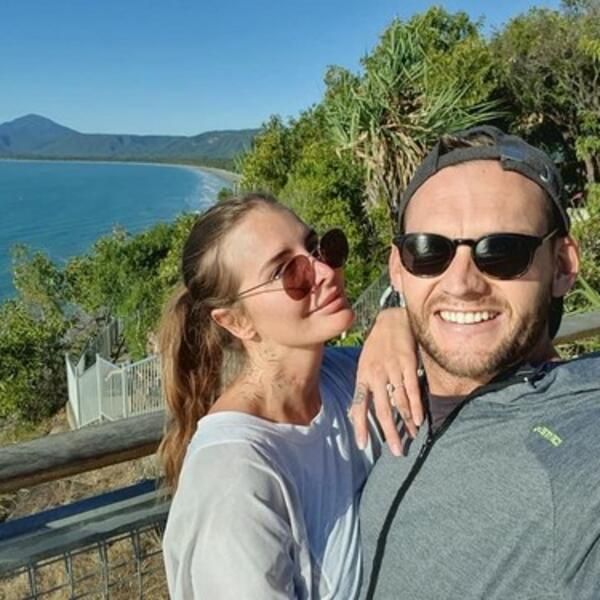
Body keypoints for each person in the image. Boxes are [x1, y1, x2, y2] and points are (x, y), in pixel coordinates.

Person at [354, 125, 600, 598]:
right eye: (429, 251)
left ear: (562, 266)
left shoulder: (580, 452)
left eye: (503, 252)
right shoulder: (390, 397)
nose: (461, 282)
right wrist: (391, 318)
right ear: (399, 269)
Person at [159, 193, 412, 599]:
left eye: (319, 248)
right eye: (287, 271)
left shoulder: (348, 375)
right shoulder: (234, 478)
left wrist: (399, 316)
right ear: (236, 321)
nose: (325, 271)